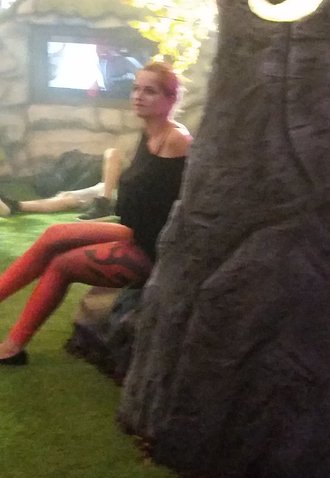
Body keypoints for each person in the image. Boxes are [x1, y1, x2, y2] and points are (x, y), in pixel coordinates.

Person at [0, 62, 191, 366]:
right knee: (54, 234)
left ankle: (12, 348)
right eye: (136, 88)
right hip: (132, 232)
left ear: (170, 99)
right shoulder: (148, 133)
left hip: (151, 249)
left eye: (150, 91)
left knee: (61, 264)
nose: (138, 95)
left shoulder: (177, 140)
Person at [0, 147, 123, 221]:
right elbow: (112, 154)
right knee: (66, 199)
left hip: (117, 200)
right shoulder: (107, 184)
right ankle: (13, 206)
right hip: (105, 196)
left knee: (67, 200)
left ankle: (104, 204)